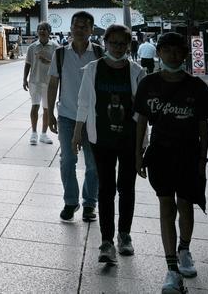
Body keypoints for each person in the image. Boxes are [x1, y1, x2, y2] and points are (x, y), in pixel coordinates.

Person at [135, 32, 208, 294]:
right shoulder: (148, 83)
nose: (173, 55)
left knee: (185, 203)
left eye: (178, 50)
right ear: (158, 52)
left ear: (185, 54)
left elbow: (203, 125)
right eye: (167, 50)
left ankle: (184, 248)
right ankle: (171, 267)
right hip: (160, 151)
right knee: (165, 204)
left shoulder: (196, 86)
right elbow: (140, 119)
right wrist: (138, 153)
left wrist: (203, 159)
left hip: (188, 151)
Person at [74, 24, 146, 265]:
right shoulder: (93, 69)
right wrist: (76, 134)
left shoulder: (136, 71)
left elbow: (142, 112)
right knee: (106, 189)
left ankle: (124, 235)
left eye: (122, 43)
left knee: (127, 187)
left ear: (129, 45)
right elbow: (83, 103)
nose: (117, 47)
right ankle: (106, 241)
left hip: (129, 139)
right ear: (105, 43)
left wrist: (142, 143)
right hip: (101, 138)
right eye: (113, 42)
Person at [47, 10, 104, 223]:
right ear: (70, 28)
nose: (80, 30)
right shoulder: (61, 53)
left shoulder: (99, 53)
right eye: (76, 26)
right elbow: (53, 83)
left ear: (91, 30)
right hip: (67, 114)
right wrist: (49, 112)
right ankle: (71, 201)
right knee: (67, 160)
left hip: (94, 117)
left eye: (84, 27)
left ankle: (90, 203)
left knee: (93, 162)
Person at [23, 22, 58, 145]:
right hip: (34, 81)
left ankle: (44, 134)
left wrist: (47, 61)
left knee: (47, 109)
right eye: (40, 29)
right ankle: (33, 133)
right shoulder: (32, 47)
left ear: (49, 31)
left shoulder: (55, 47)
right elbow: (27, 63)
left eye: (44, 29)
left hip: (50, 83)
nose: (42, 31)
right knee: (35, 106)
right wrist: (24, 79)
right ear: (37, 31)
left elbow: (58, 65)